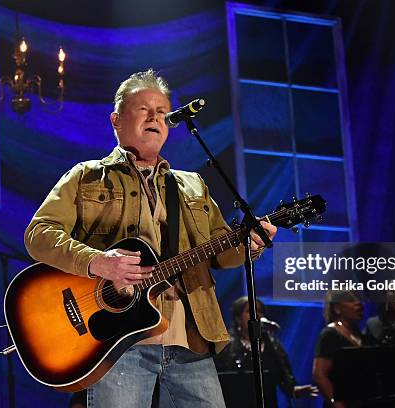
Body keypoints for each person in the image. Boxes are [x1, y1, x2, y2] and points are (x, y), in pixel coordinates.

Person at [24, 69, 277, 407]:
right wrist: (96, 262)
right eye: (144, 109)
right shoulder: (86, 176)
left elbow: (221, 254)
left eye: (162, 111)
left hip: (191, 342)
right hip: (119, 345)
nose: (156, 116)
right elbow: (39, 234)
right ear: (116, 120)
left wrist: (251, 245)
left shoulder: (192, 185)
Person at [214, 296, 319, 407]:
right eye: (250, 311)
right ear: (238, 318)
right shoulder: (227, 347)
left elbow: (283, 376)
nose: (256, 315)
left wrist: (293, 389)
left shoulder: (272, 346)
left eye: (259, 311)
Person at [312, 291, 364, 408]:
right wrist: (338, 404)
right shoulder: (330, 334)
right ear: (337, 309)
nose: (359, 304)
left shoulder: (360, 335)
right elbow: (319, 375)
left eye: (359, 300)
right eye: (351, 300)